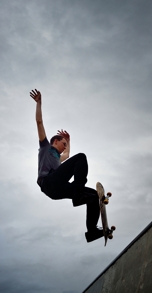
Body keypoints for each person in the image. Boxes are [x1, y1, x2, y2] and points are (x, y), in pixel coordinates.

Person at [30, 89, 103, 242]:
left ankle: (92, 232)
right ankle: (78, 194)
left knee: (93, 196)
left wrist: (68, 140)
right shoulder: (45, 147)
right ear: (55, 141)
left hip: (56, 189)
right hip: (48, 182)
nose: (64, 147)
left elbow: (68, 155)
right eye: (63, 144)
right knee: (81, 157)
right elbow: (39, 122)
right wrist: (39, 103)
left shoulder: (59, 158)